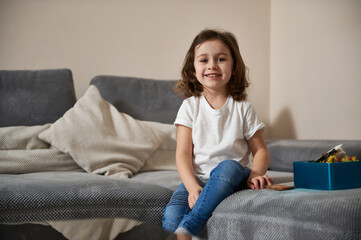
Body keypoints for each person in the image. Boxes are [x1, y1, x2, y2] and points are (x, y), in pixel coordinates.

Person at [162, 29, 273, 239]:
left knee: (228, 166)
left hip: (231, 176)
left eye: (221, 59)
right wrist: (193, 187)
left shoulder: (243, 107)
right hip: (199, 178)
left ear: (233, 67)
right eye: (204, 60)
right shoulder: (189, 107)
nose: (212, 65)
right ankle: (185, 231)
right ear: (193, 70)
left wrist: (256, 174)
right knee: (171, 215)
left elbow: (261, 151)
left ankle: (190, 227)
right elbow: (183, 154)